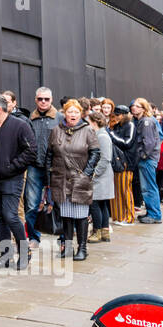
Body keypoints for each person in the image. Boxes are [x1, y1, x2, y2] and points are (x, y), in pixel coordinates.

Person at [0, 92, 36, 269]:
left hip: (13, 178)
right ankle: (6, 257)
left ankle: (24, 251)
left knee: (10, 215)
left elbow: (31, 151)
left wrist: (12, 167)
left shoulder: (20, 126)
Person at [45, 99, 100, 261]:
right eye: (70, 112)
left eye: (76, 112)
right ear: (64, 113)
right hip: (60, 179)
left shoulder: (88, 130)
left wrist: (87, 173)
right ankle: (67, 247)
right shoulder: (56, 130)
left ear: (81, 114)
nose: (73, 115)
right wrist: (48, 177)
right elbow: (49, 155)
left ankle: (82, 248)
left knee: (81, 215)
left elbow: (96, 153)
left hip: (79, 179)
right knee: (66, 215)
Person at [25, 87, 58, 247]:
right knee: (31, 205)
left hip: (56, 168)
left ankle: (63, 237)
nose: (43, 102)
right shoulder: (30, 118)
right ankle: (33, 237)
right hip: (34, 166)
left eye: (46, 99)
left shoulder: (60, 118)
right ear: (35, 99)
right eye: (40, 99)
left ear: (51, 100)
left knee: (59, 204)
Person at [86, 108, 114, 243]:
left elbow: (105, 158)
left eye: (88, 122)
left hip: (101, 176)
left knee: (95, 203)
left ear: (94, 123)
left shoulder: (101, 136)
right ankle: (105, 232)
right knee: (102, 204)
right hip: (103, 176)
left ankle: (97, 232)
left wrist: (94, 173)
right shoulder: (101, 134)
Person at [132, 98, 162, 223]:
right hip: (147, 159)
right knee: (147, 187)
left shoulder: (146, 122)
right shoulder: (143, 121)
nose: (134, 108)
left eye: (138, 106)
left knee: (149, 187)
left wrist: (143, 156)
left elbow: (148, 142)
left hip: (147, 160)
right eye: (133, 106)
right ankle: (151, 212)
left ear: (144, 109)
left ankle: (154, 215)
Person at [107, 103, 137, 225]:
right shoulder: (118, 126)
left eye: (119, 114)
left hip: (126, 162)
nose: (117, 116)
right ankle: (119, 217)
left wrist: (111, 134)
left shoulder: (130, 125)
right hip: (118, 161)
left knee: (125, 190)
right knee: (117, 191)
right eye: (116, 114)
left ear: (124, 115)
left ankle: (129, 218)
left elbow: (127, 143)